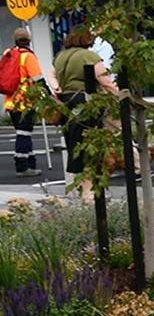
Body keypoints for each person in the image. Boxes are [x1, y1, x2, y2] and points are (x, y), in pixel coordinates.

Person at [50, 28, 120, 203]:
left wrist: (57, 87)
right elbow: (105, 81)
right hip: (86, 103)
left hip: (66, 104)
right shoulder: (89, 56)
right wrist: (122, 96)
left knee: (75, 145)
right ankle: (90, 193)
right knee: (90, 147)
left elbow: (52, 75)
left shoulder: (60, 56)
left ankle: (85, 190)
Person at [2, 27, 48, 177]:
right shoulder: (28, 56)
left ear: (15, 40)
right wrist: (48, 94)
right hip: (25, 102)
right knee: (24, 134)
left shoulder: (9, 54)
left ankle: (30, 163)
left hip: (11, 102)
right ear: (28, 40)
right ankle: (22, 167)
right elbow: (37, 79)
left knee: (24, 133)